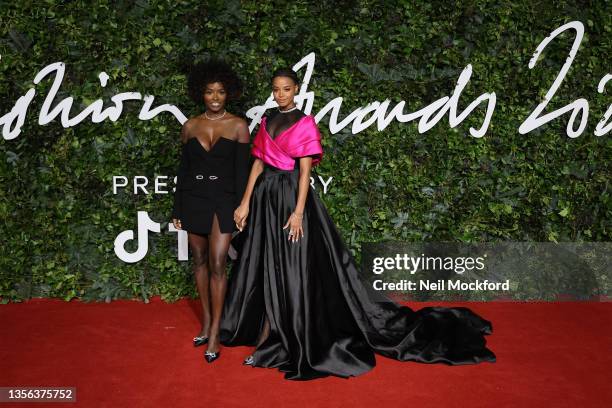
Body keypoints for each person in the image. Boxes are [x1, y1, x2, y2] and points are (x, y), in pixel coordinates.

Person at [221, 68, 496, 380]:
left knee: (292, 270)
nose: (280, 94)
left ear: (296, 89)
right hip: (264, 199)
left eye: (286, 89)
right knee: (267, 266)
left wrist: (298, 212)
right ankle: (266, 338)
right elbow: (258, 162)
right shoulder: (268, 119)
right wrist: (245, 202)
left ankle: (280, 339)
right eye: (276, 89)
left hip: (289, 200)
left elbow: (305, 171)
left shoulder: (304, 122)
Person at [171, 59, 250, 363]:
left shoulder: (238, 125)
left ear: (227, 93)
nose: (215, 97)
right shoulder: (190, 126)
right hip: (194, 198)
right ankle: (206, 320)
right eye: (209, 92)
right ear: (200, 94)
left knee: (218, 262)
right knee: (200, 259)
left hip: (224, 199)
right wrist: (178, 208)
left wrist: (243, 206)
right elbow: (185, 170)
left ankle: (216, 331)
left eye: (220, 92)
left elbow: (242, 174)